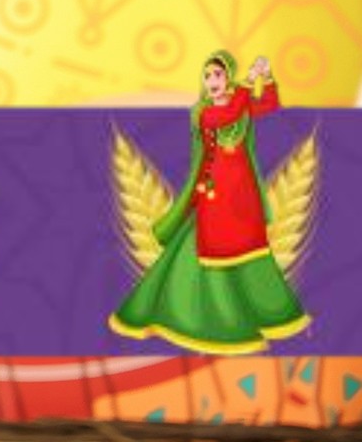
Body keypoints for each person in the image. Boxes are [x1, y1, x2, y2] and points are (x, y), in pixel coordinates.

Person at [111, 51, 312, 354]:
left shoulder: (239, 105)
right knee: (214, 246)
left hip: (242, 194)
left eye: (217, 74)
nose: (212, 81)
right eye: (207, 76)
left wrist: (265, 77)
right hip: (215, 193)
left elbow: (268, 105)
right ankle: (211, 316)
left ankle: (264, 309)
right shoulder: (204, 112)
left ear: (227, 77)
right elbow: (226, 115)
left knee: (250, 245)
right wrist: (247, 83)